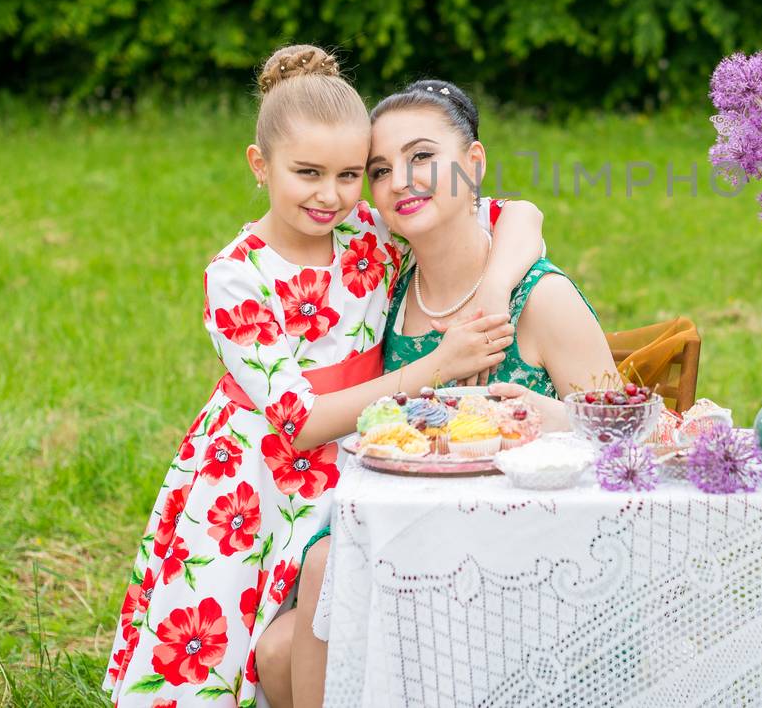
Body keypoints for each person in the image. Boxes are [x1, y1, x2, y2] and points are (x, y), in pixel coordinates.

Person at [102, 48, 546, 707]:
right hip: (257, 476)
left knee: (326, 621)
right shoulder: (239, 275)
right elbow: (299, 421)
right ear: (260, 165)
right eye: (306, 172)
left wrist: (498, 287)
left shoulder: (365, 232)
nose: (330, 195)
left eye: (348, 175)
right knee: (217, 638)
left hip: (358, 458)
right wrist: (435, 368)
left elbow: (519, 214)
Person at [255, 79, 617, 708]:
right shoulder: (388, 288)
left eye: (422, 157)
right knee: (276, 652)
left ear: (473, 165)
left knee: (317, 582)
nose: (401, 180)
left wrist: (546, 415)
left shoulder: (539, 300)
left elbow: (629, 436)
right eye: (379, 169)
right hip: (399, 538)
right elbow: (520, 214)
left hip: (522, 555)